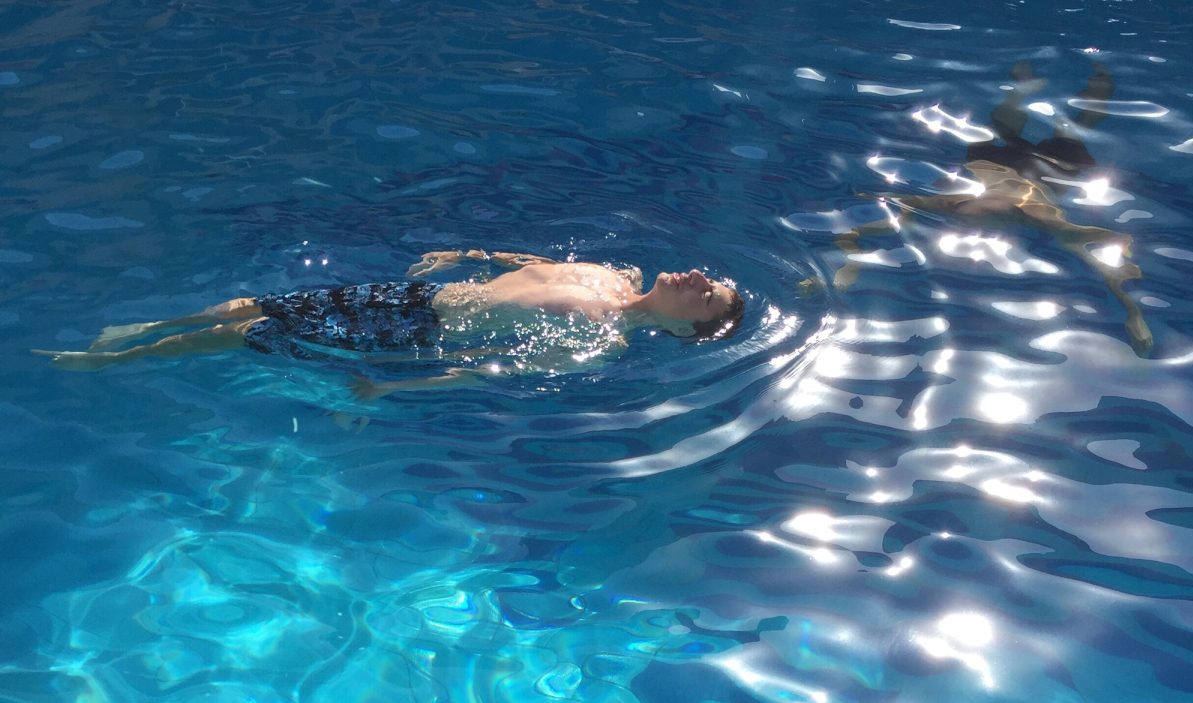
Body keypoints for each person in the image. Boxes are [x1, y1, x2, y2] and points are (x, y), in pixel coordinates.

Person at [34, 250, 745, 394]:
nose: (700, 279)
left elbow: (483, 368)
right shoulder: (611, 273)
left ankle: (110, 362)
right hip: (418, 297)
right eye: (711, 279)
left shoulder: (597, 343)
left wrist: (390, 388)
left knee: (246, 333)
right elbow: (530, 260)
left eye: (706, 296)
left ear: (686, 331)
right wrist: (468, 253)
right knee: (248, 303)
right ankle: (140, 327)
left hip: (412, 333)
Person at [824, 63, 1153, 355]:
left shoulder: (964, 206)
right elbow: (1100, 251)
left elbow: (877, 218)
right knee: (1069, 131)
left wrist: (848, 266)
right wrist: (1132, 312)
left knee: (1012, 133)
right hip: (1046, 175)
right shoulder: (1032, 214)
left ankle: (1032, 88)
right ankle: (1087, 79)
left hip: (995, 167)